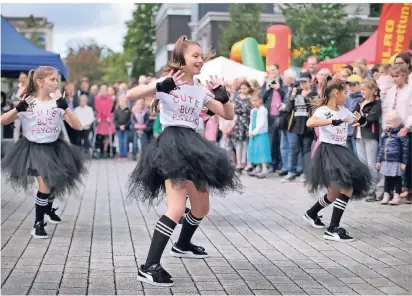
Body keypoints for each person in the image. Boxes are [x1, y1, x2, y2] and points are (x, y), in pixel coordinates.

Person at [125, 36, 240, 287]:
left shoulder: (200, 90)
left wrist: (223, 97)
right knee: (176, 209)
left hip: (195, 147)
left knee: (201, 209)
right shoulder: (168, 83)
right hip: (172, 147)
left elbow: (227, 114)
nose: (200, 60)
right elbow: (130, 95)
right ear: (181, 59)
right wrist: (159, 87)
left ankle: (183, 244)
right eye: (195, 56)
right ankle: (148, 266)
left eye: (202, 56)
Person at [0, 66, 87, 239]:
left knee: (55, 182)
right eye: (52, 79)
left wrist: (66, 107)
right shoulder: (29, 102)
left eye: (57, 79)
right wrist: (18, 108)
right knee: (45, 183)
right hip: (33, 148)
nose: (56, 83)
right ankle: (38, 223)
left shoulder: (58, 103)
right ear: (39, 82)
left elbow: (78, 126)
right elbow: (3, 121)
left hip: (55, 148)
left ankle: (47, 207)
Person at [303, 75, 371, 242]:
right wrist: (331, 121)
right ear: (335, 93)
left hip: (341, 151)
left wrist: (361, 120)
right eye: (344, 93)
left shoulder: (344, 110)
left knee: (333, 193)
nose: (346, 96)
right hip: (328, 153)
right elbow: (310, 123)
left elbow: (360, 123)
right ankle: (333, 229)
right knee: (346, 188)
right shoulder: (324, 110)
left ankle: (311, 213)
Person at [353, 79, 382, 201]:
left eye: (364, 89)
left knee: (371, 165)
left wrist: (361, 118)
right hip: (359, 135)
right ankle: (365, 188)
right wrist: (361, 118)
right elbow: (353, 114)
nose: (362, 91)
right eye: (361, 89)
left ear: (372, 90)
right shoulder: (360, 102)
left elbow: (371, 118)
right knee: (363, 164)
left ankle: (372, 190)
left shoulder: (376, 104)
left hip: (370, 136)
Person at [377, 111, 409, 205]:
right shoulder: (385, 134)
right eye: (386, 122)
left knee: (397, 179)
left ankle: (396, 196)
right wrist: (379, 161)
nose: (387, 125)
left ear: (397, 123)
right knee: (387, 178)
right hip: (386, 161)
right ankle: (386, 195)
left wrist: (404, 162)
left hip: (396, 161)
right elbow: (381, 148)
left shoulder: (401, 135)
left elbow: (405, 150)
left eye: (390, 123)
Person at [246, 92, 272, 178]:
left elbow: (261, 123)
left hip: (261, 133)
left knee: (262, 150)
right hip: (253, 134)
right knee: (255, 150)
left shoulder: (263, 110)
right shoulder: (253, 110)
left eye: (255, 100)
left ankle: (264, 168)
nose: (254, 102)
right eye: (252, 101)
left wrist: (255, 132)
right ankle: (257, 167)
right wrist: (250, 131)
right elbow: (251, 122)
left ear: (260, 100)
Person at [114, 95, 131, 160]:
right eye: (121, 101)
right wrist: (119, 126)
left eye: (124, 100)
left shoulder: (128, 110)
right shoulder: (117, 110)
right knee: (120, 141)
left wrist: (125, 126)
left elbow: (130, 120)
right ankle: (121, 155)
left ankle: (125, 155)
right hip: (119, 129)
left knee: (125, 141)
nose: (123, 102)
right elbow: (115, 120)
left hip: (126, 128)